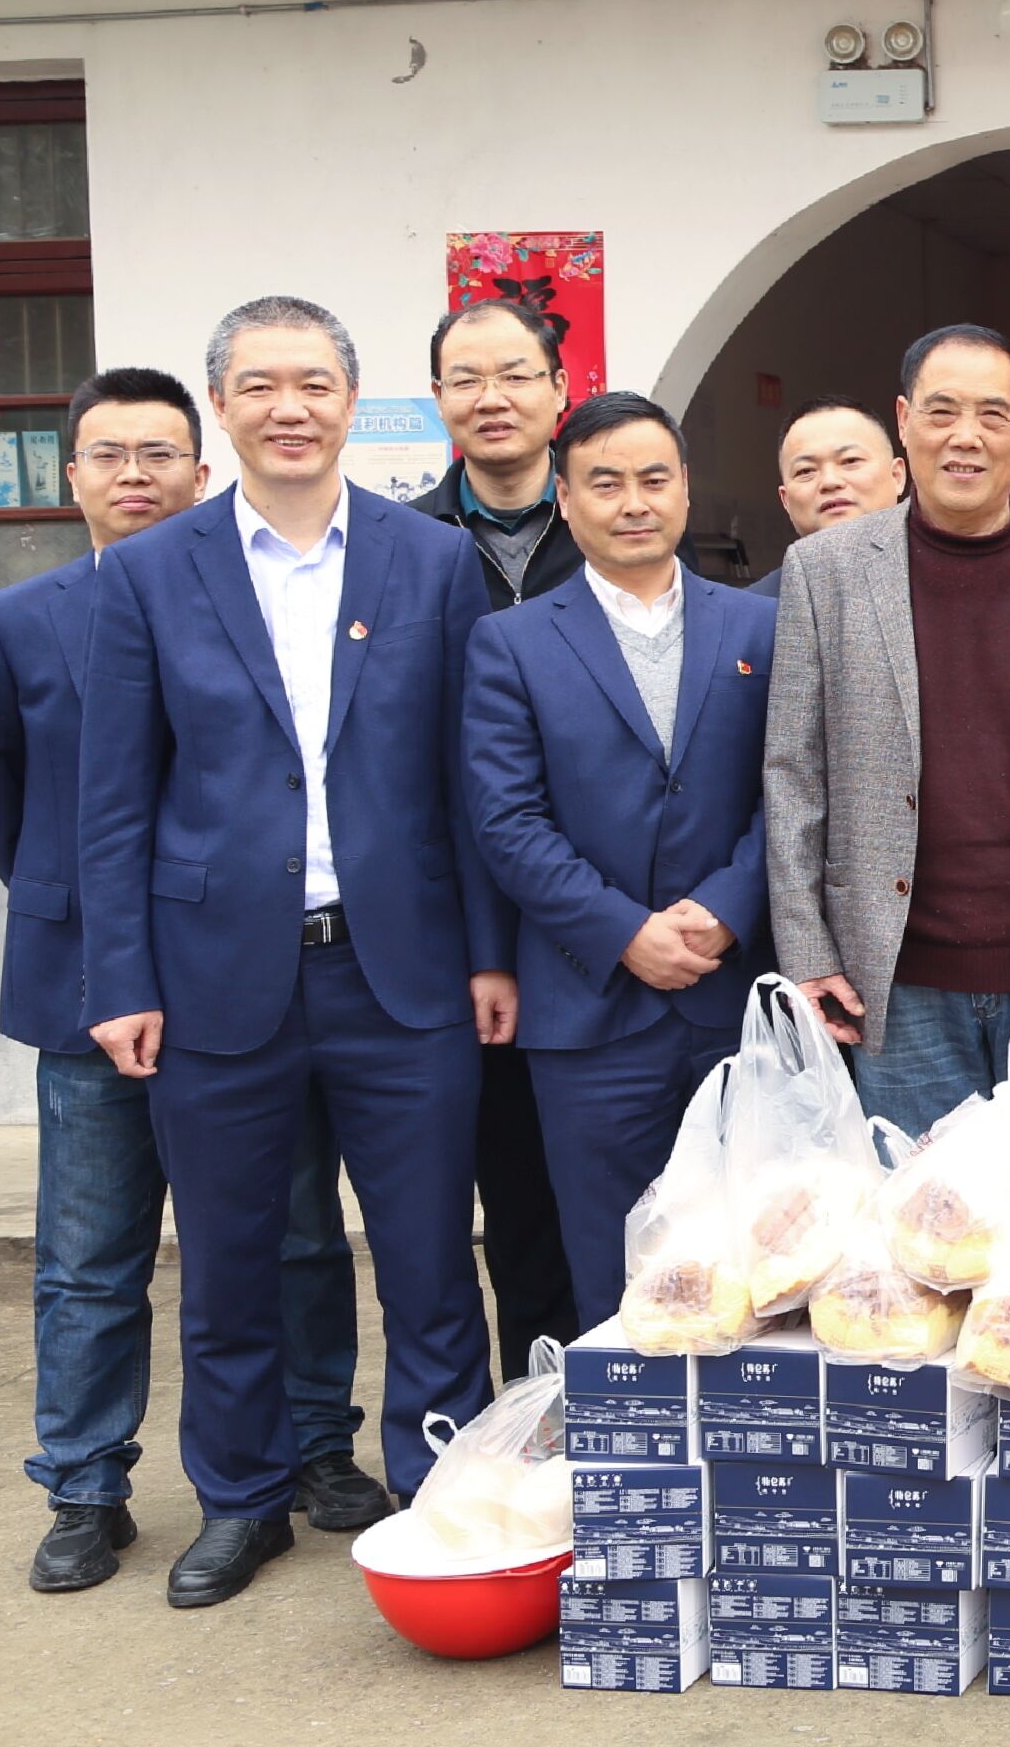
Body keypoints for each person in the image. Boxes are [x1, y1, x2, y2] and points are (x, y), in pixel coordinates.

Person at [77, 296, 505, 1608]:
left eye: (314, 382)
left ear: (351, 400)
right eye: (259, 385)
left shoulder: (430, 561)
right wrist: (121, 979)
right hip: (213, 974)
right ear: (223, 406)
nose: (289, 408)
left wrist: (490, 955)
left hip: (403, 970)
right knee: (229, 1262)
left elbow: (470, 782)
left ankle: (443, 1489)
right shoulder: (153, 571)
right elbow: (113, 798)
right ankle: (243, 1497)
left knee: (430, 1258)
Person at [0, 369, 388, 1592]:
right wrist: (87, 913)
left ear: (201, 472)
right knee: (92, 1254)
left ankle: (314, 1445)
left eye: (159, 454)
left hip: (250, 979)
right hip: (88, 986)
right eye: (109, 454)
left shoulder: (259, 599)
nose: (134, 474)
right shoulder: (14, 620)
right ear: (71, 477)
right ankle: (86, 1484)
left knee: (291, 1233)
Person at [764, 323, 1010, 1143]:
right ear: (904, 421)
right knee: (919, 1217)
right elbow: (793, 775)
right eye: (943, 411)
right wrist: (807, 952)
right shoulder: (826, 571)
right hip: (896, 983)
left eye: (993, 413)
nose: (966, 436)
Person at [462, 392, 776, 1328]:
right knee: (613, 1268)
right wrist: (624, 932)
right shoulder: (511, 641)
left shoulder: (758, 627)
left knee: (756, 1259)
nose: (634, 502)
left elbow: (796, 791)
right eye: (606, 483)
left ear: (685, 489)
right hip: (588, 1010)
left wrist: (727, 908)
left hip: (733, 995)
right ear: (564, 499)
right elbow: (507, 821)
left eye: (653, 479)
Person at [412, 296, 581, 1375]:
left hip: (605, 925)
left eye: (516, 373)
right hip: (454, 940)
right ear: (437, 400)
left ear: (560, 390)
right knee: (506, 1197)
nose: (493, 397)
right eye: (467, 378)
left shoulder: (621, 529)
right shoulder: (397, 548)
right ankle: (531, 1413)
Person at [752, 396, 906, 597]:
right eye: (806, 470)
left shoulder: (939, 585)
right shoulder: (755, 607)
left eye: (850, 460)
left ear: (897, 476)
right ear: (785, 500)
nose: (830, 482)